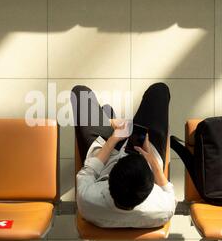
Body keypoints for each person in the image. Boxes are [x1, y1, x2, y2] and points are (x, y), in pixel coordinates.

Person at [71, 83, 176, 228]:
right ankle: (109, 119)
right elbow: (167, 189)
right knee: (159, 90)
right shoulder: (163, 208)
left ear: (109, 182)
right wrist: (152, 160)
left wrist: (113, 140)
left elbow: (88, 171)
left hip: (104, 159)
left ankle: (108, 120)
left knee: (80, 93)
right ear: (150, 188)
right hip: (146, 155)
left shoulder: (88, 199)